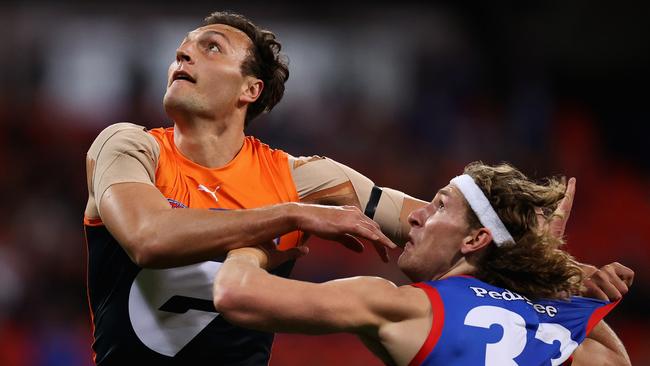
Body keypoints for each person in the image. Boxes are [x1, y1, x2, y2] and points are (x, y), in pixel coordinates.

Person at [83, 11, 423, 365]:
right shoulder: (127, 147)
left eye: (211, 47)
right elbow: (147, 238)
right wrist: (291, 214)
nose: (183, 54)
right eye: (182, 48)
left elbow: (436, 226)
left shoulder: (302, 179)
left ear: (250, 88)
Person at [213, 162, 634, 365]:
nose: (414, 215)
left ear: (475, 239)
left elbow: (234, 294)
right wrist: (554, 275)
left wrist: (273, 226)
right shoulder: (544, 327)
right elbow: (618, 362)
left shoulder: (407, 307)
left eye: (438, 207)